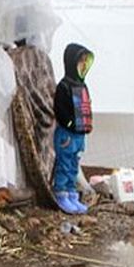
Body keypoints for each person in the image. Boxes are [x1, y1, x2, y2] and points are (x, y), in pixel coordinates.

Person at [52, 43, 94, 215]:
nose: (83, 65)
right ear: (72, 62)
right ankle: (61, 193)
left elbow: (87, 106)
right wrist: (71, 124)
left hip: (79, 134)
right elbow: (60, 111)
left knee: (74, 165)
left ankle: (71, 194)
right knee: (64, 163)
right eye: (80, 61)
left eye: (85, 61)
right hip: (67, 134)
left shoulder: (82, 86)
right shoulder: (63, 86)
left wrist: (87, 124)